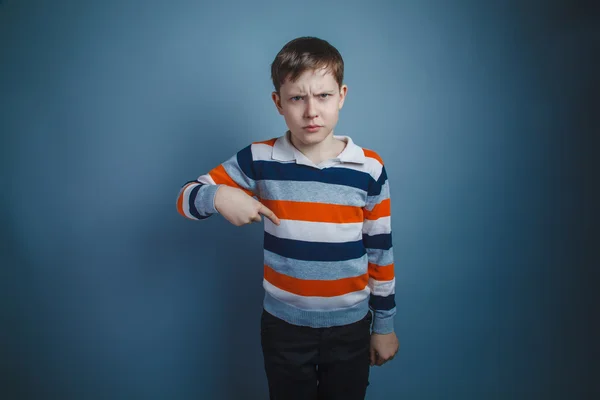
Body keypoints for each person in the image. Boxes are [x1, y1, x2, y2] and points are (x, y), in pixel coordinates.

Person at [176, 36, 399, 400]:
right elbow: (185, 198)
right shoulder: (259, 159)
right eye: (297, 98)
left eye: (323, 96)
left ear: (342, 95)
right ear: (278, 103)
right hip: (283, 329)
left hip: (351, 330)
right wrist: (219, 196)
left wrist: (384, 325)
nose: (311, 111)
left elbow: (380, 252)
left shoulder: (369, 168)